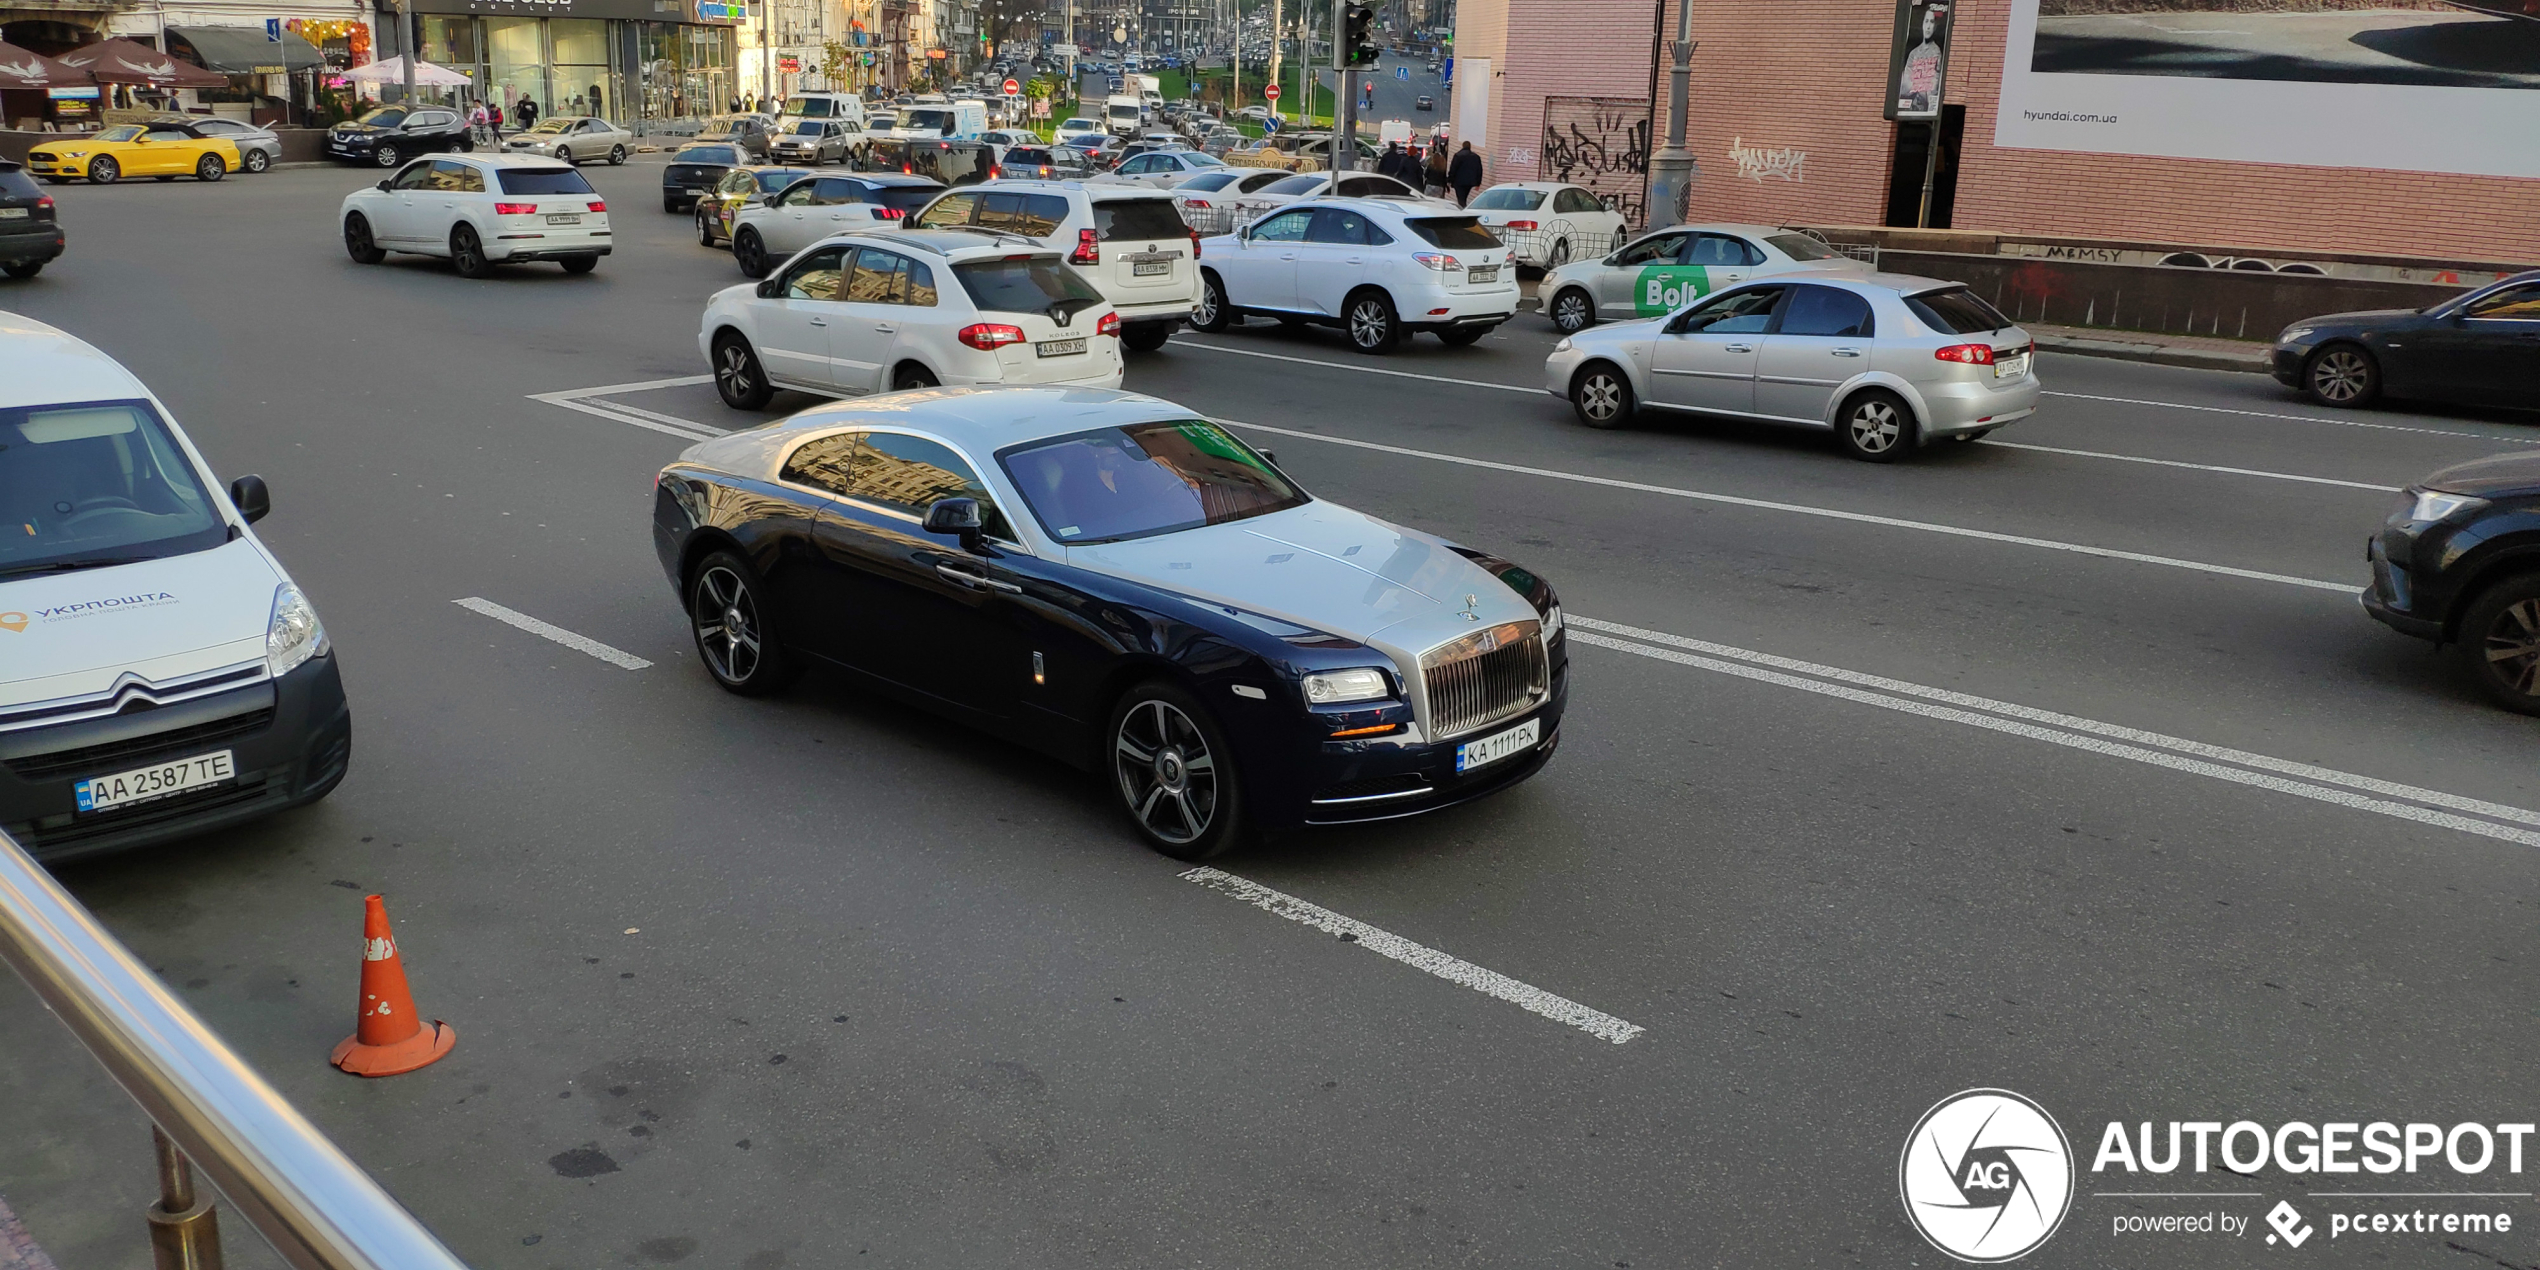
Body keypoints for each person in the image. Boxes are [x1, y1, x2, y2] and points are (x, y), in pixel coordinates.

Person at [1448, 139, 1482, 208]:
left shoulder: (1458, 156)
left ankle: (1463, 210)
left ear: (1462, 146)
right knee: (1464, 197)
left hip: (1458, 182)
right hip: (1470, 182)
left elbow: (1453, 168)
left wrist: (1449, 180)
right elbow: (1479, 170)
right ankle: (1463, 208)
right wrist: (1478, 183)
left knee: (1461, 198)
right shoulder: (1476, 157)